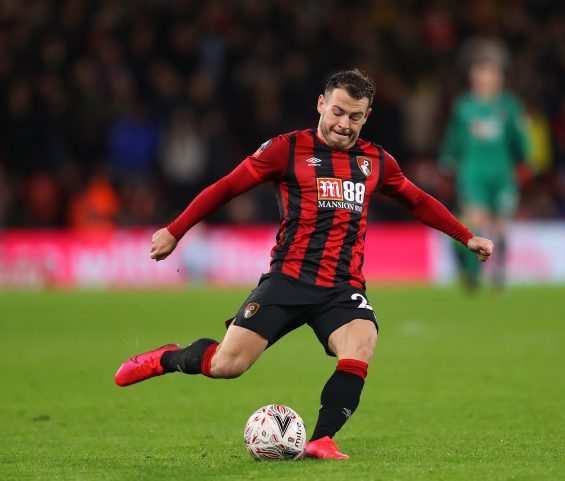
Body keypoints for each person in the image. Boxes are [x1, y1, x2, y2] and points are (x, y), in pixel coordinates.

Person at [114, 69, 494, 459]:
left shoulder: (377, 161)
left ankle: (322, 438)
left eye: (355, 117)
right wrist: (175, 230)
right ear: (321, 104)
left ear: (367, 116)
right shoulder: (287, 149)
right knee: (228, 364)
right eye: (338, 112)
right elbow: (227, 187)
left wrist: (467, 236)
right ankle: (168, 358)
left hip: (342, 287)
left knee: (361, 342)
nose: (344, 124)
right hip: (288, 280)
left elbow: (419, 201)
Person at [440, 42, 529, 290]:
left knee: (501, 226)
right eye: (481, 71)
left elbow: (520, 138)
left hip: (502, 174)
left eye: (491, 72)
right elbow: (453, 138)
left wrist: (526, 160)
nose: (486, 77)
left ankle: (499, 271)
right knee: (474, 222)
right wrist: (447, 160)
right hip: (473, 174)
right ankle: (473, 274)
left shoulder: (509, 106)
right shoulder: (464, 107)